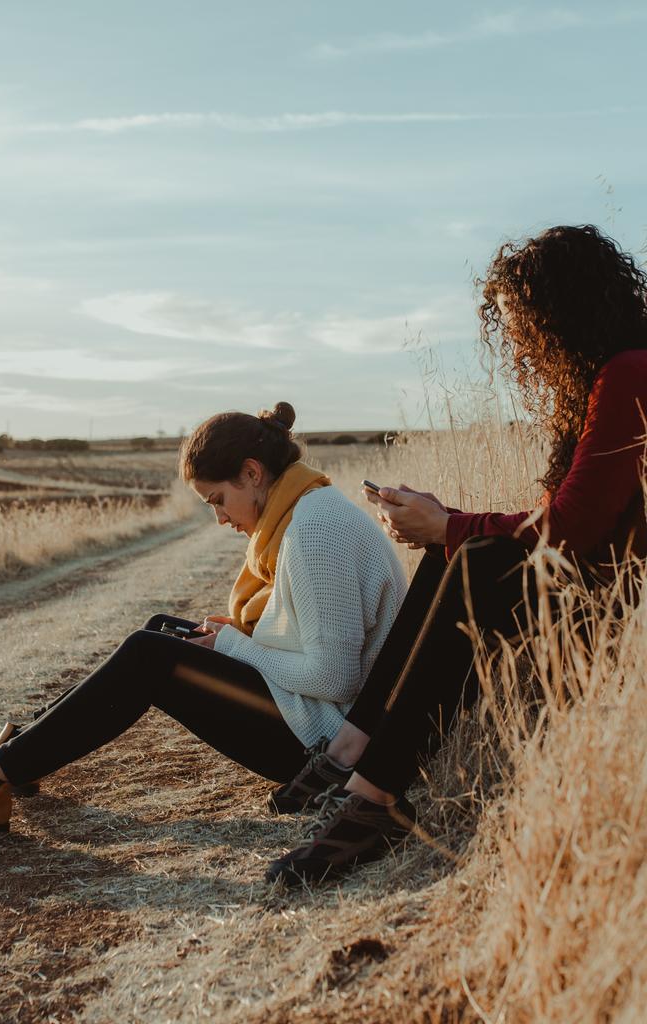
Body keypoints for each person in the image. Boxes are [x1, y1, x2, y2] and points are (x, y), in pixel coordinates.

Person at [267, 224, 647, 886]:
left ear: (564, 308)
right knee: (461, 555)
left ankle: (376, 796)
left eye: (523, 324)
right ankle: (357, 744)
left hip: (622, 610)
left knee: (472, 558)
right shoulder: (607, 375)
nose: (520, 345)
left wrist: (450, 524)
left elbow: (572, 529)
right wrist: (448, 525)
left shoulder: (631, 372)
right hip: (600, 588)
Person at [0, 402, 408, 838]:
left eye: (218, 500)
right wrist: (234, 639)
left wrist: (234, 647)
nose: (219, 517)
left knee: (149, 656)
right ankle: (17, 753)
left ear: (252, 472)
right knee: (162, 630)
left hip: (327, 744)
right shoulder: (303, 514)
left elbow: (336, 677)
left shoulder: (316, 531)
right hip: (314, 715)